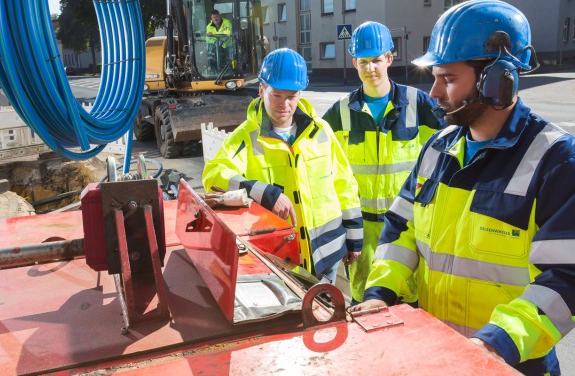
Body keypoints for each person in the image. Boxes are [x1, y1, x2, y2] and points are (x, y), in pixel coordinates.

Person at [348, 1, 575, 375]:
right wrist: (380, 295)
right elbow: (401, 230)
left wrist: (494, 342)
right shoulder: (437, 149)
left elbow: (566, 277)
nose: (434, 92)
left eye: (448, 79)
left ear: (499, 80)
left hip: (512, 363)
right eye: (435, 76)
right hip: (436, 351)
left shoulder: (556, 160)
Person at [202, 48, 363, 283]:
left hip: (328, 252)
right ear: (261, 90)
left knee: (326, 315)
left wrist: (354, 237)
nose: (284, 104)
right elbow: (213, 175)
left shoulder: (320, 131)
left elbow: (344, 184)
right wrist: (263, 192)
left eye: (291, 96)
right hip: (280, 258)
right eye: (276, 95)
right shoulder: (245, 137)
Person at [322, 21, 445, 305]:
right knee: (366, 307)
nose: (370, 68)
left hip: (407, 230)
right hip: (361, 234)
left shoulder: (418, 104)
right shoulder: (339, 113)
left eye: (376, 60)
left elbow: (450, 151)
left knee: (410, 307)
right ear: (354, 63)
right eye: (363, 61)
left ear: (389, 58)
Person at [206, 10, 232, 74]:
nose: (215, 19)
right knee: (210, 54)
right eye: (213, 17)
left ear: (220, 16)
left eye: (216, 17)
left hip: (227, 46)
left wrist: (214, 35)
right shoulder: (209, 26)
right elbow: (208, 39)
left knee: (227, 61)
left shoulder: (226, 22)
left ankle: (229, 72)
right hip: (215, 47)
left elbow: (228, 33)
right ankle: (212, 70)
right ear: (211, 18)